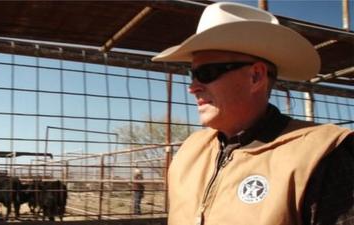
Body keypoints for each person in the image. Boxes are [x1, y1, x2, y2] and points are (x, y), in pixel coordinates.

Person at [152, 2, 354, 225]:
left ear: (256, 77)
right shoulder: (189, 152)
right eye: (193, 75)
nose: (193, 87)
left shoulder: (322, 154)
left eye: (207, 73)